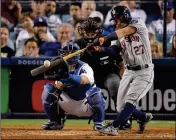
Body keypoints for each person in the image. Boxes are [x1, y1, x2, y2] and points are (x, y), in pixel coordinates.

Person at [89, 5, 154, 136]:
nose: (116, 22)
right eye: (115, 19)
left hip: (144, 70)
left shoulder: (138, 23)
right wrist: (101, 49)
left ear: (126, 16)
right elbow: (114, 51)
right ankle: (142, 117)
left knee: (130, 100)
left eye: (118, 18)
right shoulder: (117, 32)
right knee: (120, 107)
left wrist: (104, 39)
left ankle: (114, 127)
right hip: (129, 71)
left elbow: (124, 32)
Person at [75, 17, 132, 130]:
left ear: (98, 31)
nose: (90, 34)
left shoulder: (108, 42)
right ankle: (60, 117)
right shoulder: (77, 44)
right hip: (88, 76)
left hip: (108, 73)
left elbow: (121, 64)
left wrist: (123, 80)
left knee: (116, 86)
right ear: (82, 31)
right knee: (71, 85)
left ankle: (125, 119)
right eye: (87, 31)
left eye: (93, 31)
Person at [41, 40, 105, 131]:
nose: (69, 54)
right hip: (67, 104)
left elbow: (84, 80)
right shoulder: (59, 67)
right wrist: (59, 86)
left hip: (84, 105)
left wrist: (69, 76)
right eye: (66, 52)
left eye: (72, 52)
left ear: (77, 54)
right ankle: (55, 122)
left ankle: (99, 123)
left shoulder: (84, 67)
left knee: (95, 92)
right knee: (48, 89)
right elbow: (58, 87)